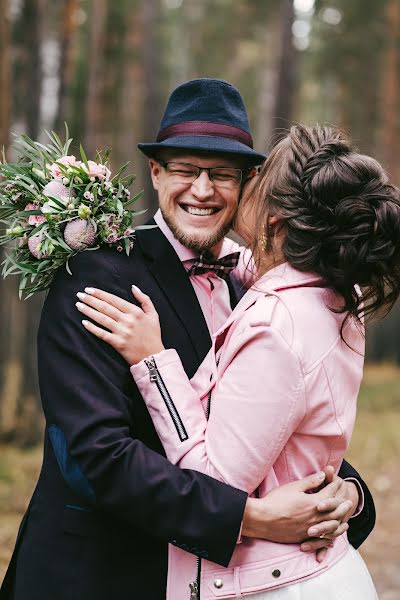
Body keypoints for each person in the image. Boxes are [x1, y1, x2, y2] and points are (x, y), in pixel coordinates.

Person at [0, 80, 374, 600]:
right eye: (184, 170)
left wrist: (347, 494)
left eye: (221, 174)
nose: (201, 190)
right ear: (156, 173)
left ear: (248, 184)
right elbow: (95, 458)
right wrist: (251, 518)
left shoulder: (255, 286)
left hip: (205, 581)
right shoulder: (97, 275)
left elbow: (268, 423)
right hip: (97, 574)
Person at [77, 123, 400, 598]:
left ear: (274, 221)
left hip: (279, 585)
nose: (244, 188)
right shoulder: (332, 290)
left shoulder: (276, 324)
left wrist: (153, 360)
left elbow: (212, 482)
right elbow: (244, 264)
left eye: (254, 179)